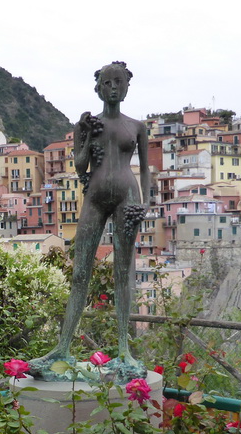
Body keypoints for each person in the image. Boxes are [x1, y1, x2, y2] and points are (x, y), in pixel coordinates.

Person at [29, 61, 151, 380]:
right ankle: (62, 348)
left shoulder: (137, 126)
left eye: (119, 82)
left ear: (126, 86)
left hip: (129, 197)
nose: (113, 87)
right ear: (98, 88)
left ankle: (124, 349)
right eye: (108, 82)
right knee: (80, 271)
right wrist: (83, 135)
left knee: (123, 271)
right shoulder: (87, 124)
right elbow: (81, 166)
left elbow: (147, 170)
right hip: (95, 196)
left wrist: (147, 202)